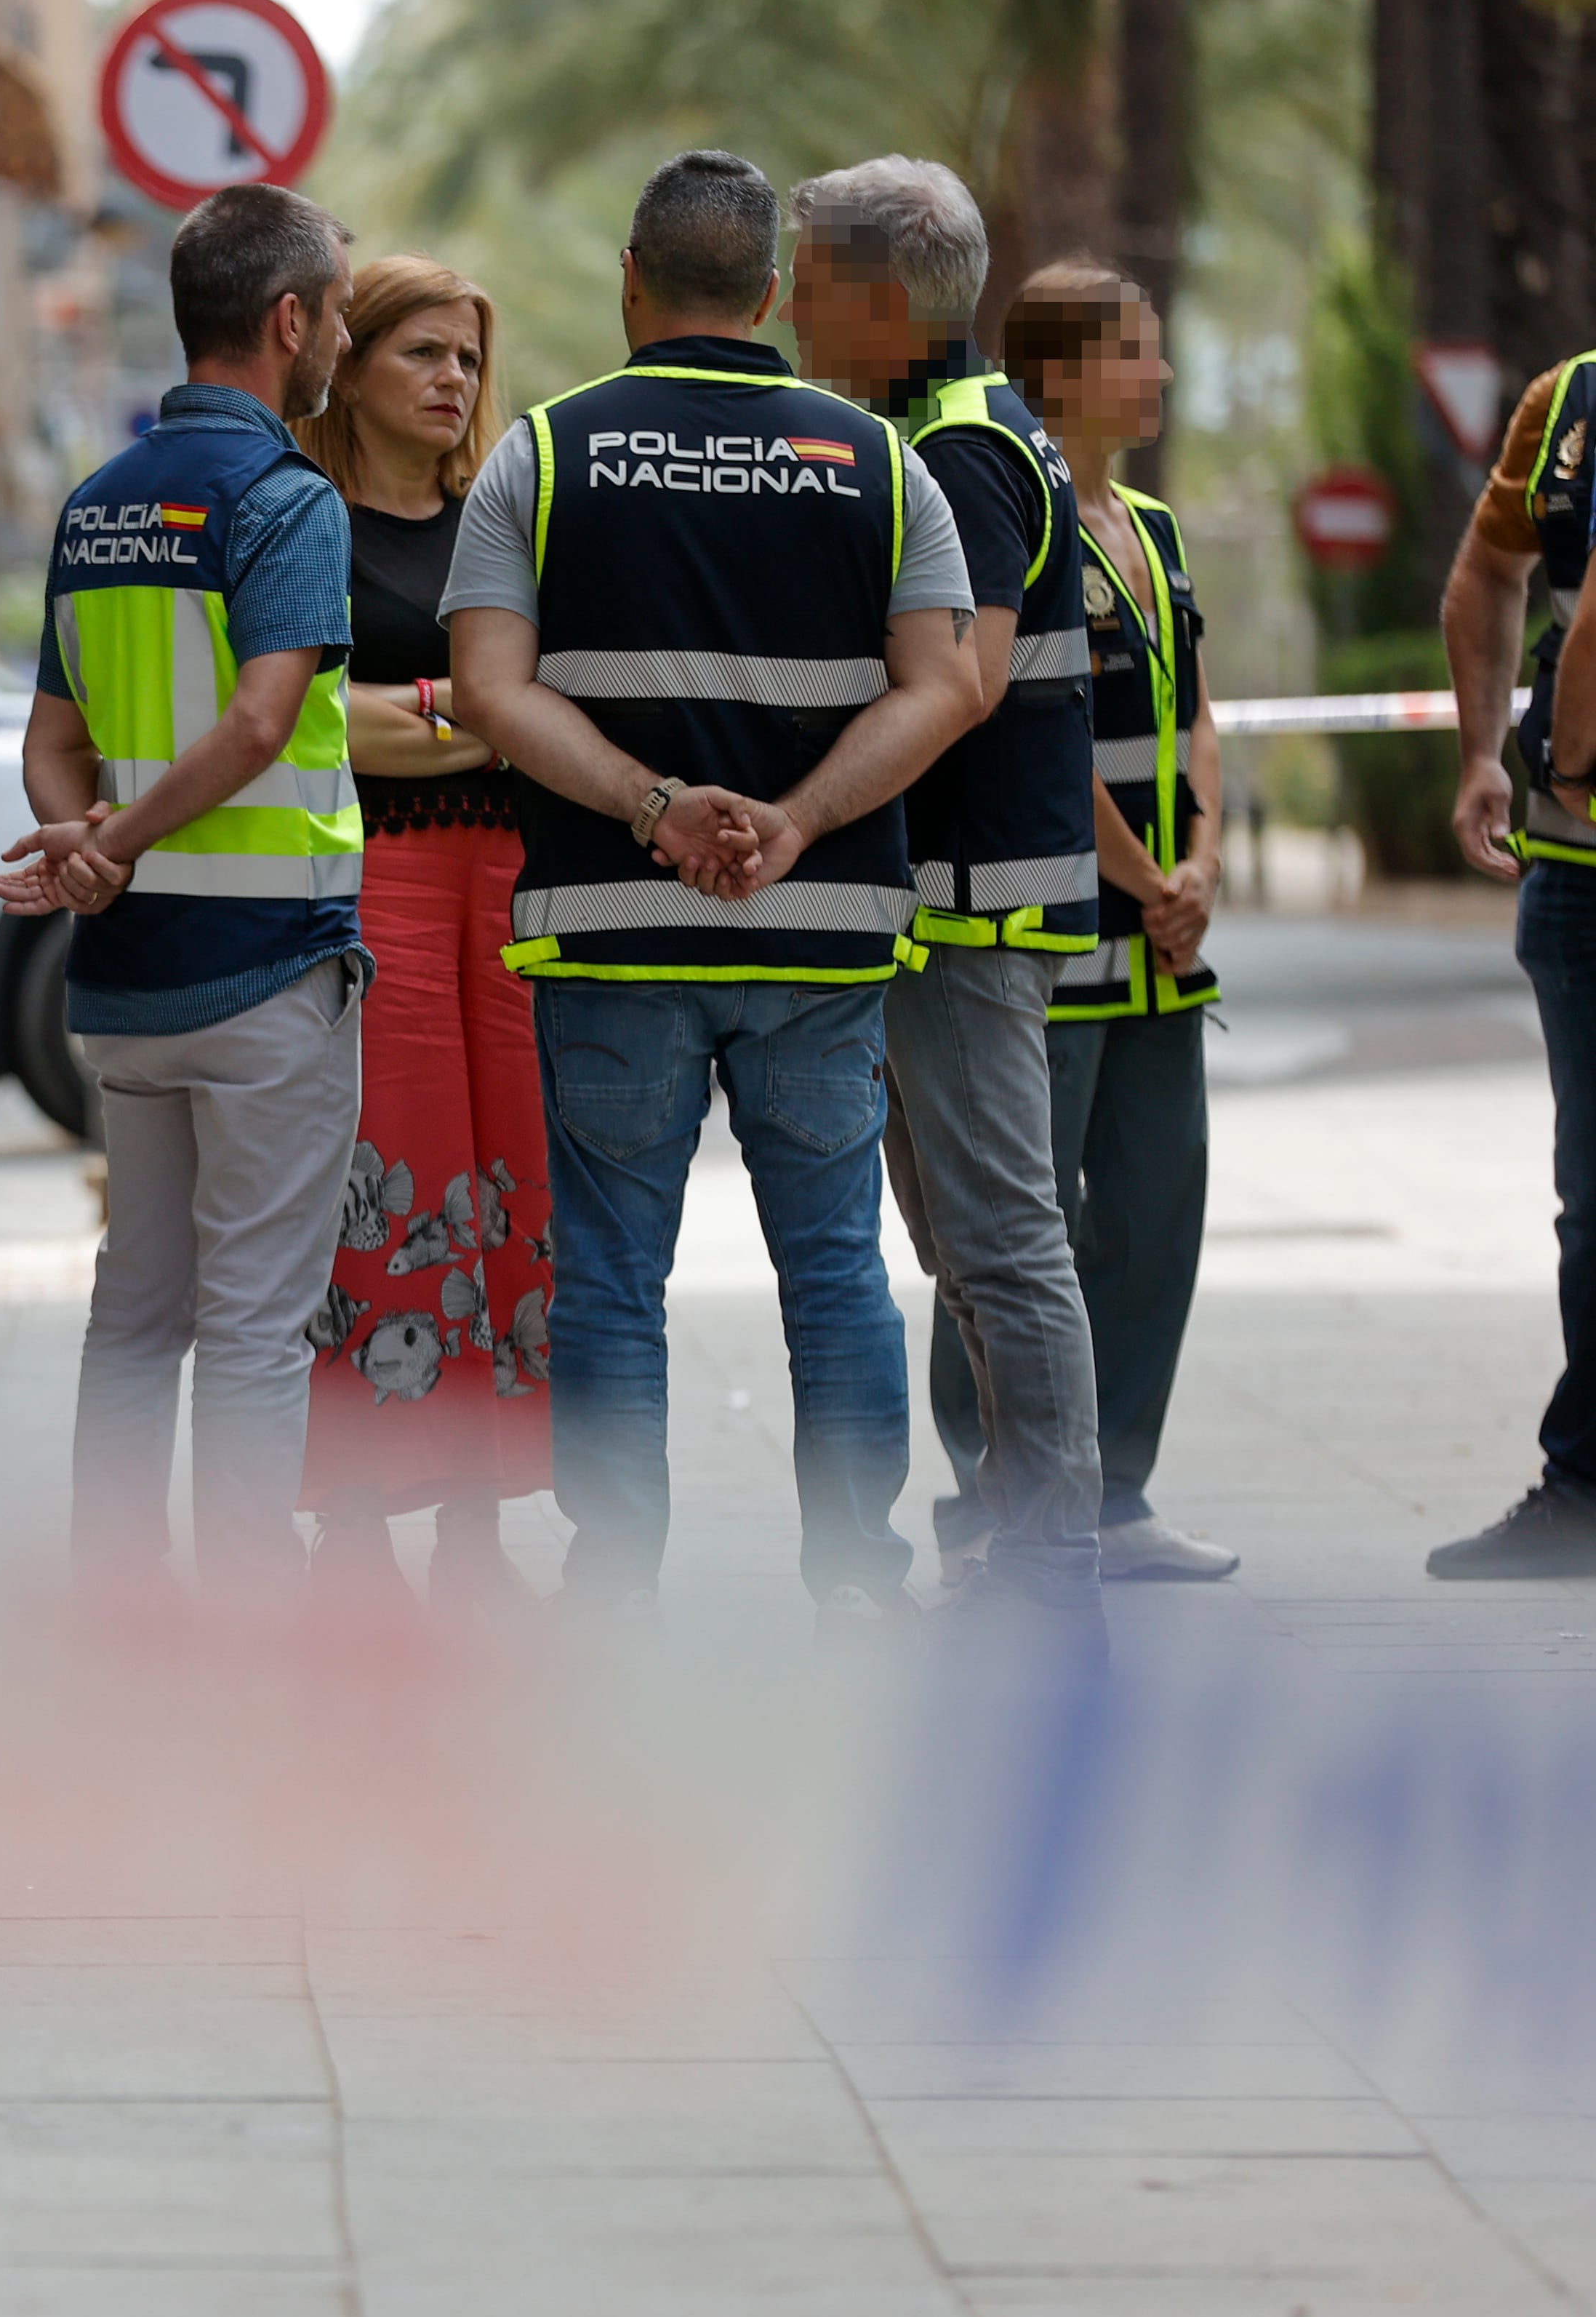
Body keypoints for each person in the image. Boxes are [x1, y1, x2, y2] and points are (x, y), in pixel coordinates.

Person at [446, 151, 977, 1628]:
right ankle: (858, 1581)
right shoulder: (881, 464)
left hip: (610, 935)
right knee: (832, 1266)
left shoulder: (540, 457)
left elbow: (490, 689)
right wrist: (795, 821)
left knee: (613, 1271)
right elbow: (943, 688)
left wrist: (654, 807)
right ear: (773, 293)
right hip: (820, 933)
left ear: (630, 280)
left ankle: (613, 1582)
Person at [0, 182, 366, 1595]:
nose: (336, 335)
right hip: (270, 975)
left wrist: (87, 848)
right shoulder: (286, 500)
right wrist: (124, 838)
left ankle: (117, 1615)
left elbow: (48, 744)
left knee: (135, 1316)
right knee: (261, 1327)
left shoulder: (92, 508)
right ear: (288, 321)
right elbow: (263, 721)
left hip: (127, 991)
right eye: (333, 311)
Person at [787, 156, 1107, 1640]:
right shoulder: (944, 431)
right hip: (953, 907)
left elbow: (962, 682)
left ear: (871, 295)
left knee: (1001, 1242)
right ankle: (1025, 1536)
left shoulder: (965, 449)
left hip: (974, 912)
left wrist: (799, 805)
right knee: (970, 1248)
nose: (786, 307)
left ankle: (1053, 1555)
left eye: (803, 280)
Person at [929, 260, 1237, 1582]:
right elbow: (1042, 730)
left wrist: (1202, 861)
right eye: (1138, 351)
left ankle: (1120, 1494)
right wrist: (1138, 877)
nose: (1160, 374)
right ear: (1060, 371)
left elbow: (1199, 714)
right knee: (1015, 1221)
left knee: (1161, 1210)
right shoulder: (1023, 497)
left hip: (1172, 954)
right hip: (1075, 942)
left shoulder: (1152, 529)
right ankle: (989, 1488)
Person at [286, 255, 551, 1611]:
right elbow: (316, 721)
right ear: (351, 362)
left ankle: (472, 1522)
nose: (454, 382)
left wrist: (425, 712)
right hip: (376, 880)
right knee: (384, 1188)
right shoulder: (307, 524)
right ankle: (351, 1522)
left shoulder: (507, 524)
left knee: (508, 1186)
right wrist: (481, 707)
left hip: (507, 892)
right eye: (422, 355)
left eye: (466, 359)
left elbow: (545, 703)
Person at [1430, 321, 1596, 1573]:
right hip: (1578, 869)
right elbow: (1488, 572)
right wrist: (1486, 748)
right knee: (1593, 1201)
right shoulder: (1567, 403)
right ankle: (1584, 1486)